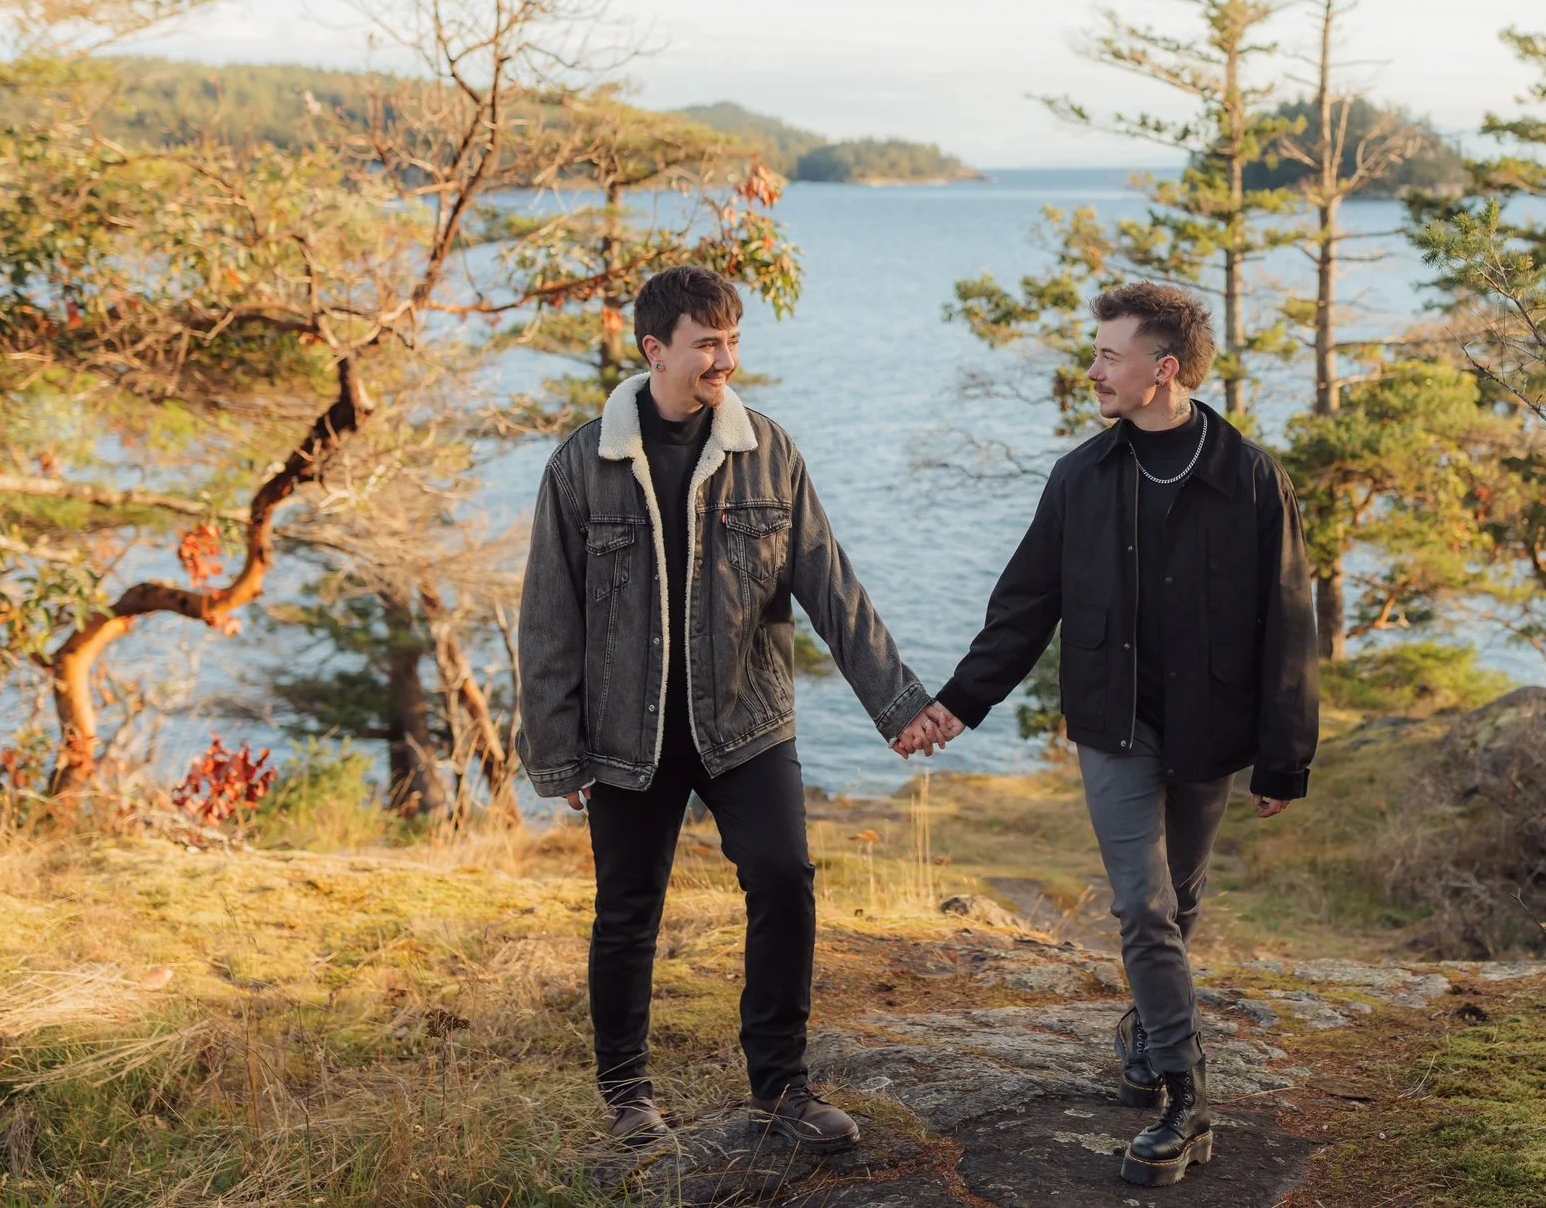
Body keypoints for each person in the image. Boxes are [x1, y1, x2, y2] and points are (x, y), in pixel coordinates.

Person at [895, 281, 1319, 1189]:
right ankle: (1184, 1091)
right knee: (1143, 904)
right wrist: (956, 703)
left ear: (1162, 369)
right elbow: (1024, 605)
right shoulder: (1081, 476)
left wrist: (1285, 756)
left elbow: (1290, 623)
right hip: (1113, 726)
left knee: (1181, 899)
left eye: (1107, 354)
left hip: (1209, 728)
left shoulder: (1251, 478)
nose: (1092, 369)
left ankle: (1146, 1024)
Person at [518, 264, 950, 1153]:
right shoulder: (581, 465)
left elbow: (832, 587)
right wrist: (558, 754)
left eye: (733, 339)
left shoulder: (770, 451)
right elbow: (550, 617)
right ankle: (628, 1097)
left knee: (785, 880)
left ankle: (783, 1085)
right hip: (628, 735)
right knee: (628, 910)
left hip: (747, 722)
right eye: (707, 342)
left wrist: (899, 702)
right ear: (655, 350)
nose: (725, 358)